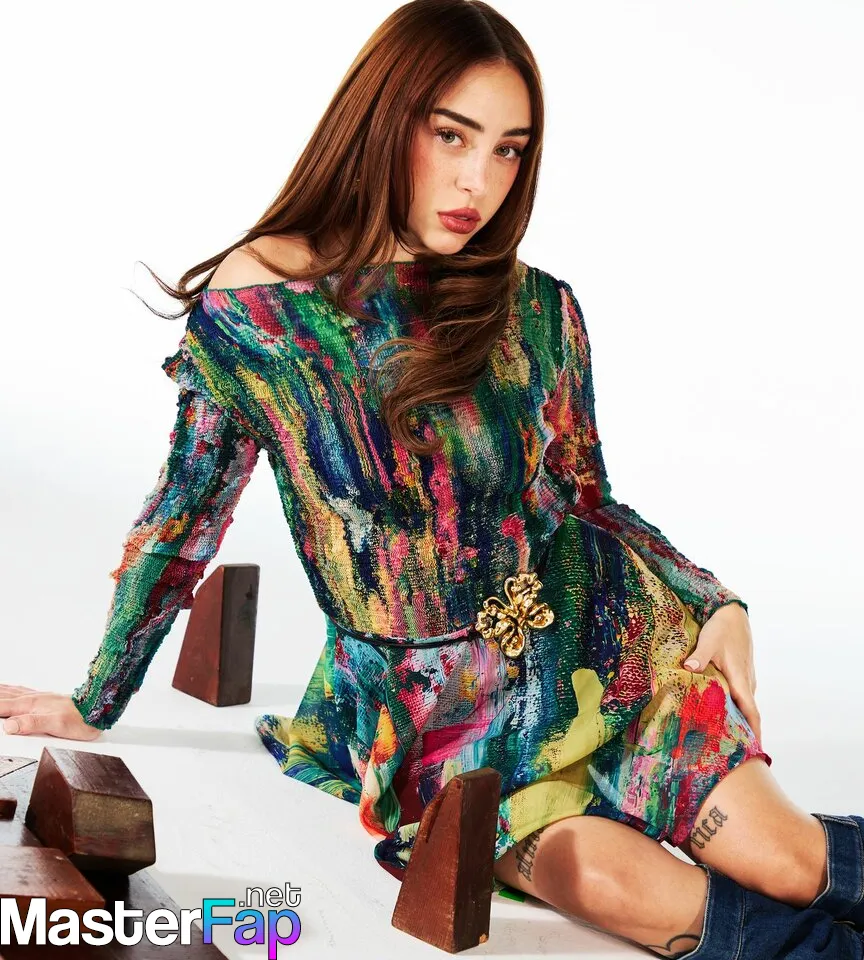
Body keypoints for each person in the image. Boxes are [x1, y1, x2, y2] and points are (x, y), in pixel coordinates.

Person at [2, 1, 862, 956]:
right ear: (382, 118)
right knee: (634, 895)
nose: (477, 181)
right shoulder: (258, 317)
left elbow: (587, 498)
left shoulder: (538, 309)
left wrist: (714, 601)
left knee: (791, 865)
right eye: (452, 135)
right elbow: (182, 519)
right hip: (438, 723)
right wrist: (97, 696)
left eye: (508, 150)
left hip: (609, 650)